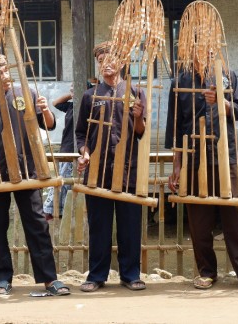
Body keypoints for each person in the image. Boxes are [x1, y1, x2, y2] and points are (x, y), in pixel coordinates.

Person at [0, 54, 70, 296]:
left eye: (4, 70)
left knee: (36, 225)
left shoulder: (26, 93)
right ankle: (2, 279)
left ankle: (49, 279)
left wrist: (45, 110)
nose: (2, 75)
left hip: (28, 170)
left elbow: (49, 125)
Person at [165, 55, 238, 292]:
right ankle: (207, 271)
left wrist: (223, 102)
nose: (204, 50)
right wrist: (177, 165)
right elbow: (175, 125)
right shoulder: (180, 81)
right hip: (193, 156)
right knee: (199, 220)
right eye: (197, 45)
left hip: (225, 153)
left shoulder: (227, 75)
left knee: (235, 217)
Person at [75, 41, 147, 292]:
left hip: (128, 170)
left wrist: (138, 116)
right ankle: (96, 275)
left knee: (130, 226)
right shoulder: (89, 96)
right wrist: (84, 154)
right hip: (98, 170)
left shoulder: (135, 93)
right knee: (99, 227)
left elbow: (140, 132)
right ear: (98, 65)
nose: (107, 64)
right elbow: (81, 135)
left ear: (121, 63)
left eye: (111, 59)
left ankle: (130, 274)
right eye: (101, 60)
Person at [42, 89, 75, 221]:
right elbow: (55, 103)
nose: (72, 89)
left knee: (66, 180)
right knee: (63, 179)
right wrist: (71, 94)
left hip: (76, 148)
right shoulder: (72, 105)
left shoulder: (88, 106)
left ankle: (53, 209)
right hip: (67, 147)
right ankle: (54, 209)